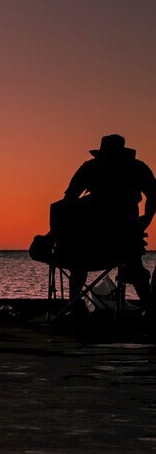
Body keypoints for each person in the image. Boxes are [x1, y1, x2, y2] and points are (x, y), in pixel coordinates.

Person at [61, 134, 156, 317]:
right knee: (134, 265)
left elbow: (68, 201)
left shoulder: (91, 167)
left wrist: (145, 220)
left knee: (79, 264)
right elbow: (153, 195)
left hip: (102, 240)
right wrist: (146, 219)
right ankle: (150, 309)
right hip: (115, 240)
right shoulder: (135, 168)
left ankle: (74, 306)